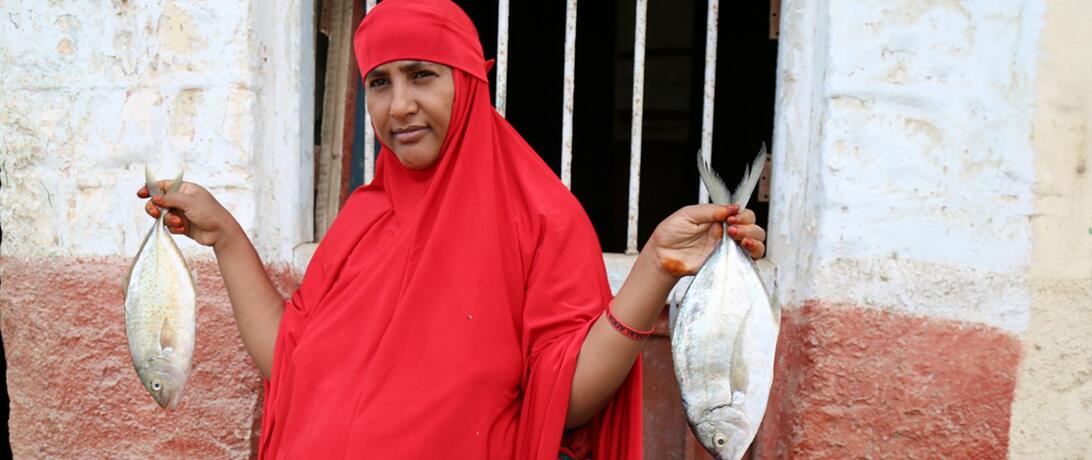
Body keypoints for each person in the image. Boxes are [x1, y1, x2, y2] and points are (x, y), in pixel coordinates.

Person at [137, 0, 767, 458]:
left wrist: (655, 265)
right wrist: (225, 237)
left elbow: (566, 400)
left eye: (422, 75)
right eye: (379, 83)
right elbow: (293, 361)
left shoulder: (540, 216)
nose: (398, 105)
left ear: (468, 83)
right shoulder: (363, 214)